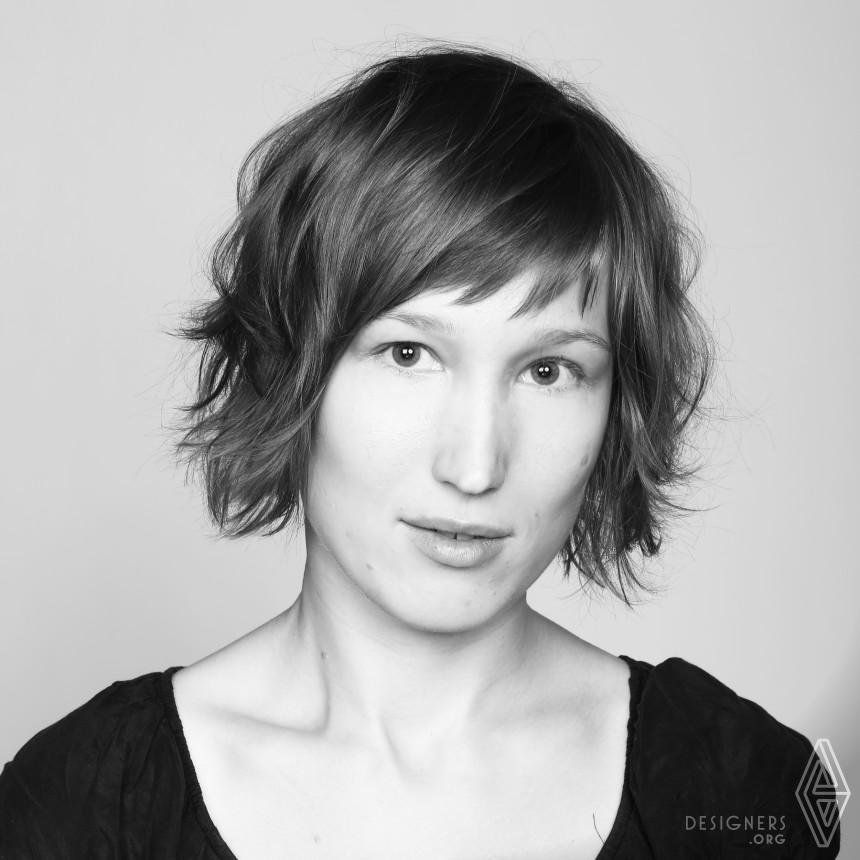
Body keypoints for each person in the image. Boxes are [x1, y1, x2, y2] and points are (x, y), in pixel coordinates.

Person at [0, 45, 839, 859]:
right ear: (288, 368)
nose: (474, 468)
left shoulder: (740, 796)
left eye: (549, 371)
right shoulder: (84, 809)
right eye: (408, 354)